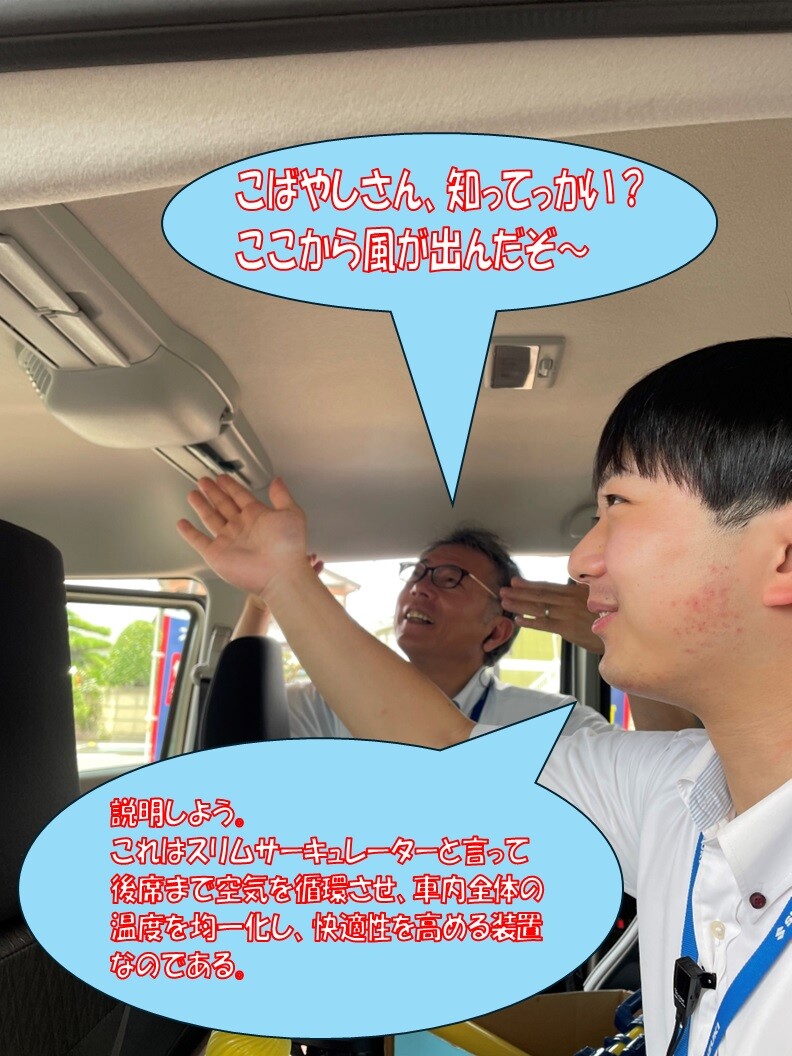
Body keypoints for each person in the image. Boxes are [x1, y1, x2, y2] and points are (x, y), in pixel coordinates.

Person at [178, 336, 792, 1055]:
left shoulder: (587, 743)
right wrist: (283, 582)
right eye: (419, 574)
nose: (580, 561)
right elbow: (447, 748)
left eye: (619, 504)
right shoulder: (675, 794)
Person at [226, 529, 694, 736]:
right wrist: (259, 605)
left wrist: (620, 638)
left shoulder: (549, 723)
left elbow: (668, 768)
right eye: (417, 573)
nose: (420, 588)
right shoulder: (325, 700)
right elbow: (235, 734)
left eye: (449, 579)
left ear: (496, 632)